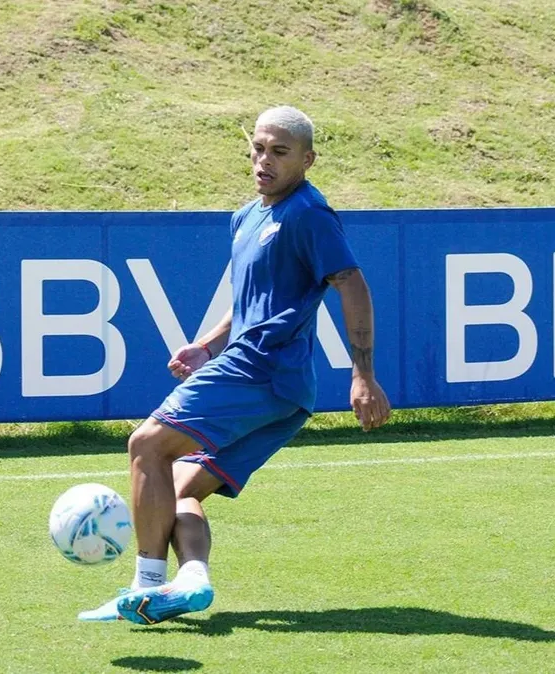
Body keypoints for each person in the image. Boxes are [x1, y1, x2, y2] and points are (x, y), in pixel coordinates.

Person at [79, 106, 392, 624]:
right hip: (281, 390)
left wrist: (362, 373)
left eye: (279, 152)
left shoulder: (309, 214)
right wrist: (208, 345)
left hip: (262, 370)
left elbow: (351, 283)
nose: (263, 161)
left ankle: (144, 586)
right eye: (258, 149)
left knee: (146, 446)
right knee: (178, 486)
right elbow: (250, 298)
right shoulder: (248, 217)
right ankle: (191, 581)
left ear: (308, 159)